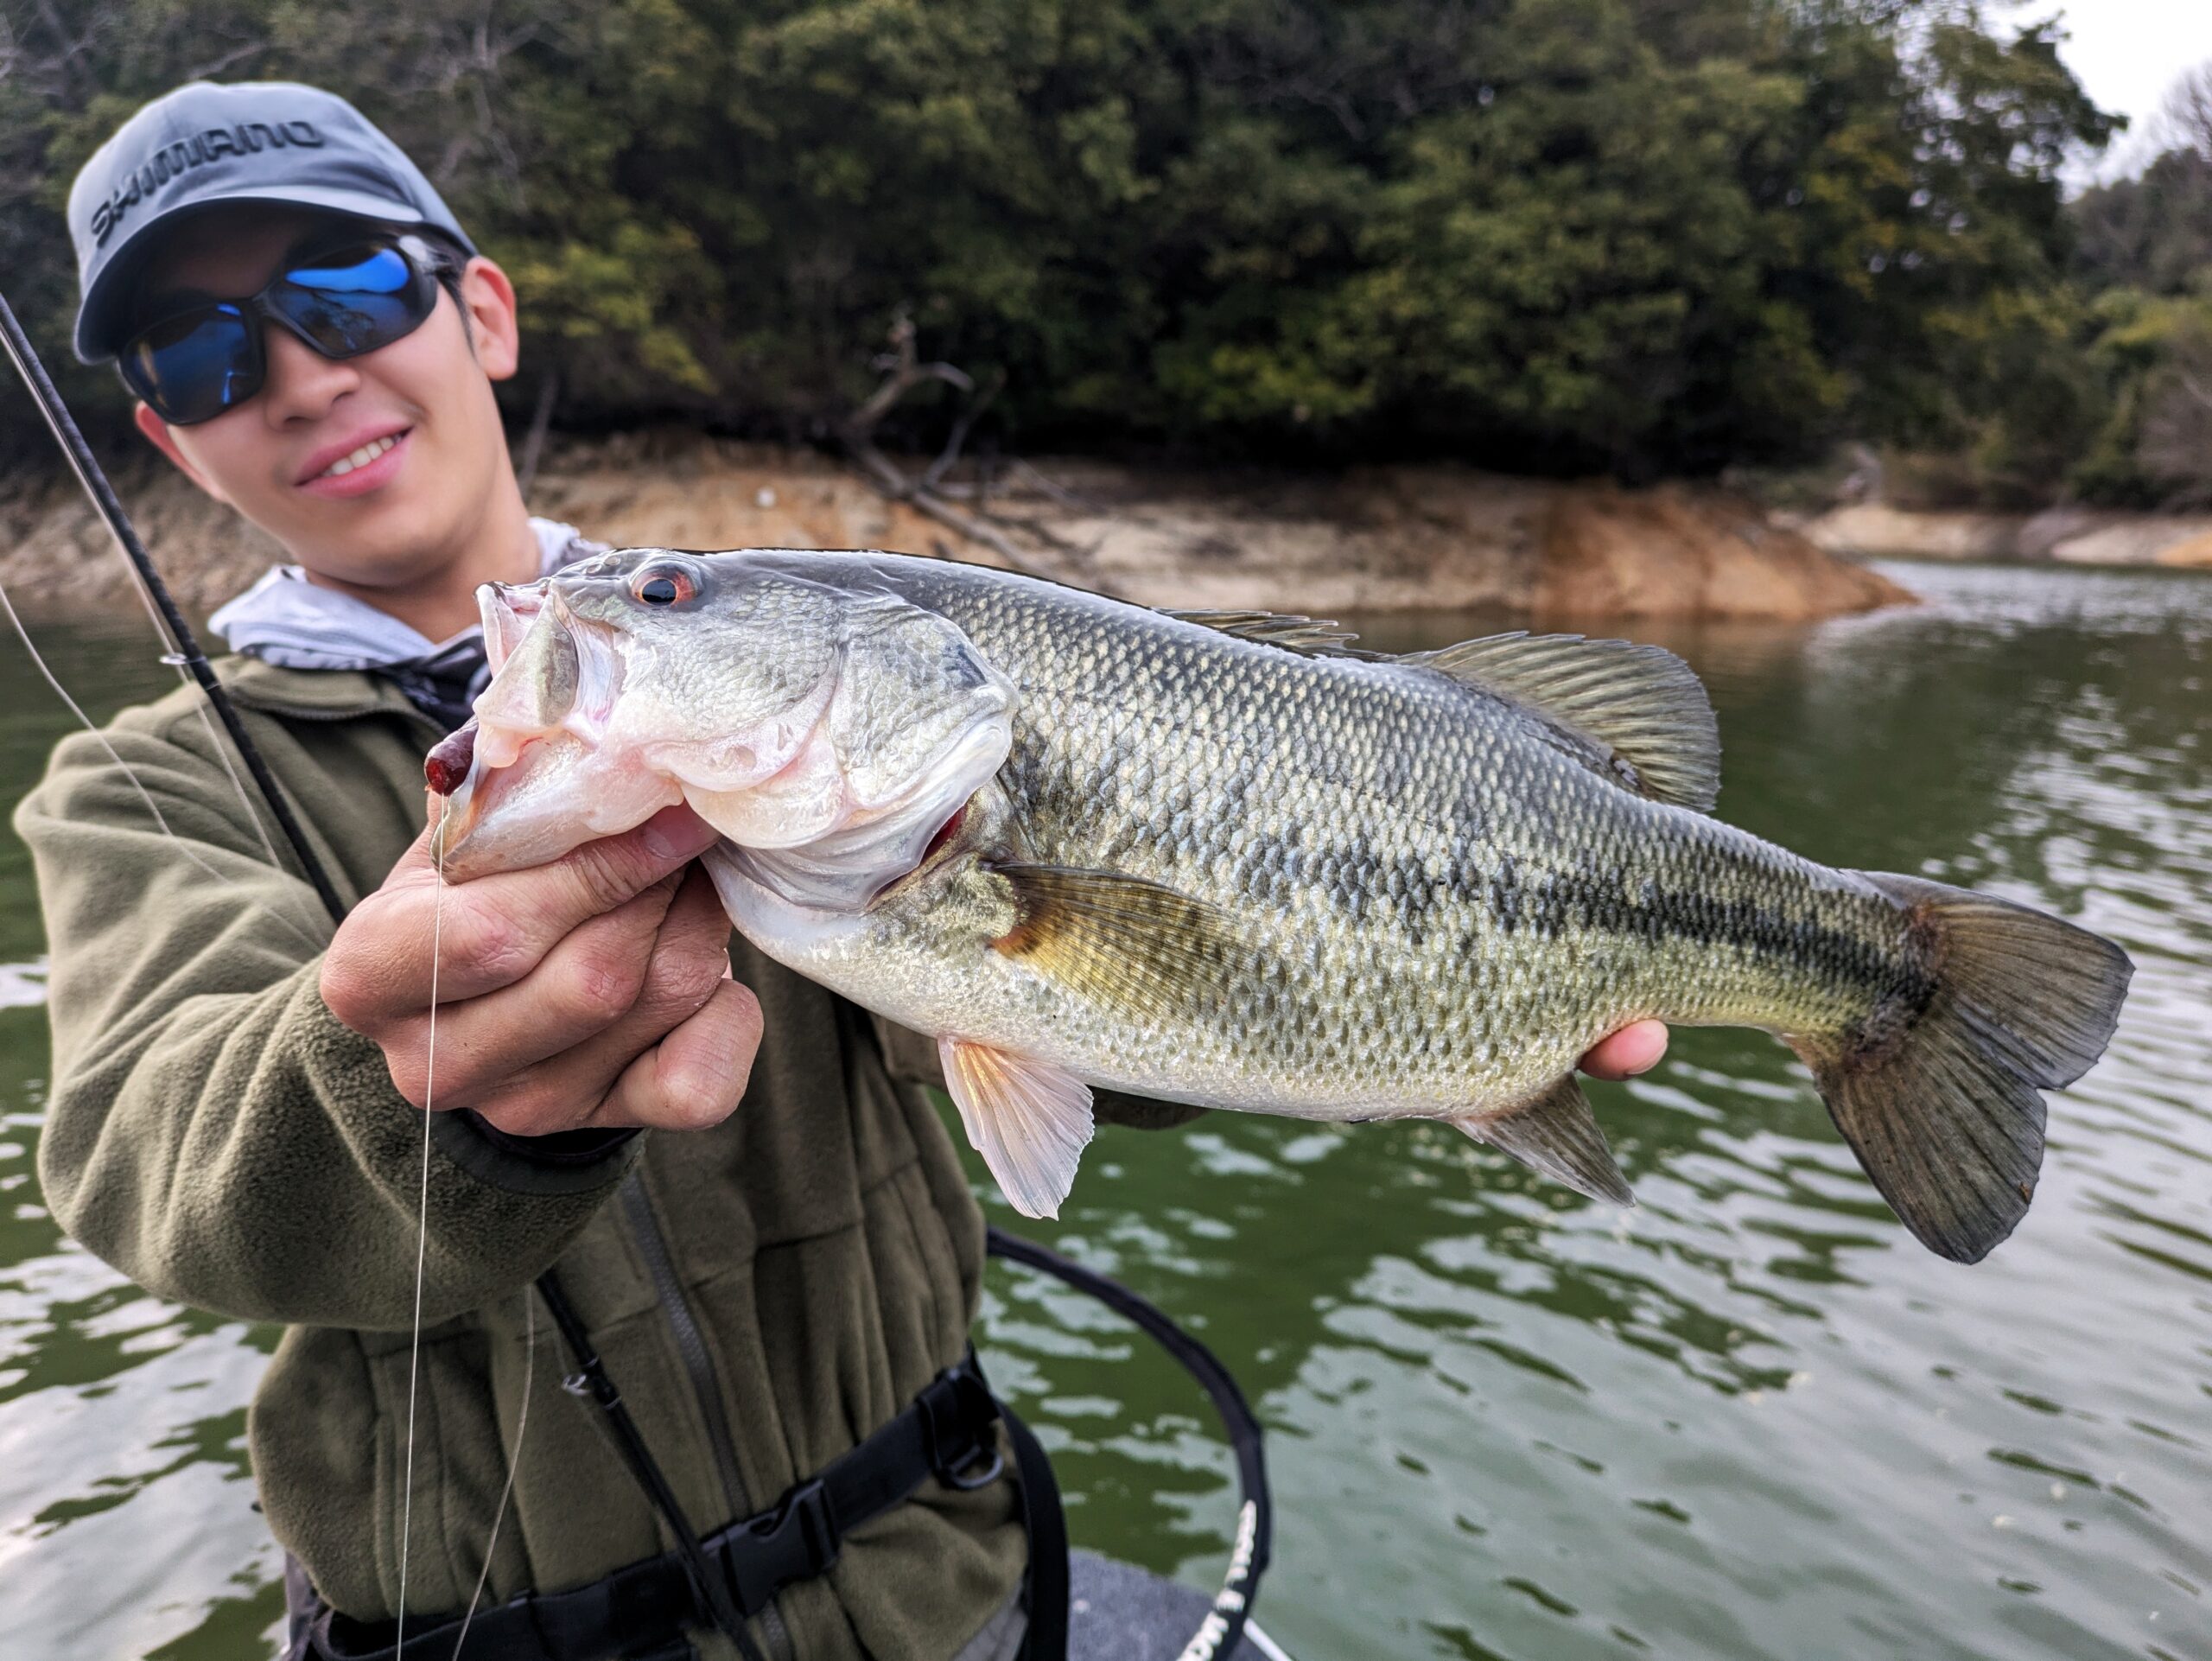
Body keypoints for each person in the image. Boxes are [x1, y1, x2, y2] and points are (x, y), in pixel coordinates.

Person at [16, 80, 1669, 1661]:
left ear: (483, 315)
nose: (301, 372)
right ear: (167, 434)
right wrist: (406, 1090)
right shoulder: (137, 789)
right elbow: (145, 1159)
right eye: (209, 346)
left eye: (352, 287)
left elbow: (1064, 1007)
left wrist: (1370, 993)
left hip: (939, 1586)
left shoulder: (849, 662)